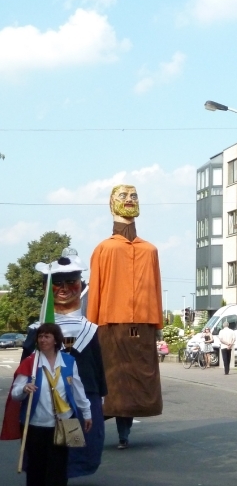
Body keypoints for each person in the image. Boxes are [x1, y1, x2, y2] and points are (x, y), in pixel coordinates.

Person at [87, 184, 163, 450]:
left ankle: (124, 433)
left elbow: (155, 287)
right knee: (112, 380)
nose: (129, 200)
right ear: (111, 202)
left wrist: (157, 324)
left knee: (137, 381)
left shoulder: (149, 250)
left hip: (142, 325)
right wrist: (91, 326)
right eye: (123, 195)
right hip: (110, 325)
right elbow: (95, 289)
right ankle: (93, 427)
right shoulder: (104, 249)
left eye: (134, 196)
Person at [20, 248, 107, 478]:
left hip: (73, 407)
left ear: (81, 283)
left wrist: (98, 400)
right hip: (43, 406)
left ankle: (65, 476)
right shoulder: (36, 331)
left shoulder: (90, 330)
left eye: (71, 281)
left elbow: (96, 371)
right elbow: (24, 371)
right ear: (47, 288)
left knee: (72, 451)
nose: (65, 288)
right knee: (40, 454)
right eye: (57, 283)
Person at [11, 323, 92, 486]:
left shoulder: (69, 361)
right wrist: (24, 389)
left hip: (64, 422)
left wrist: (87, 412)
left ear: (56, 340)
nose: (42, 340)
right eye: (40, 336)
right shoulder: (31, 362)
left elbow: (78, 389)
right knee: (36, 468)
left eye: (47, 336)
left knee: (59, 467)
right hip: (36, 424)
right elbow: (15, 393)